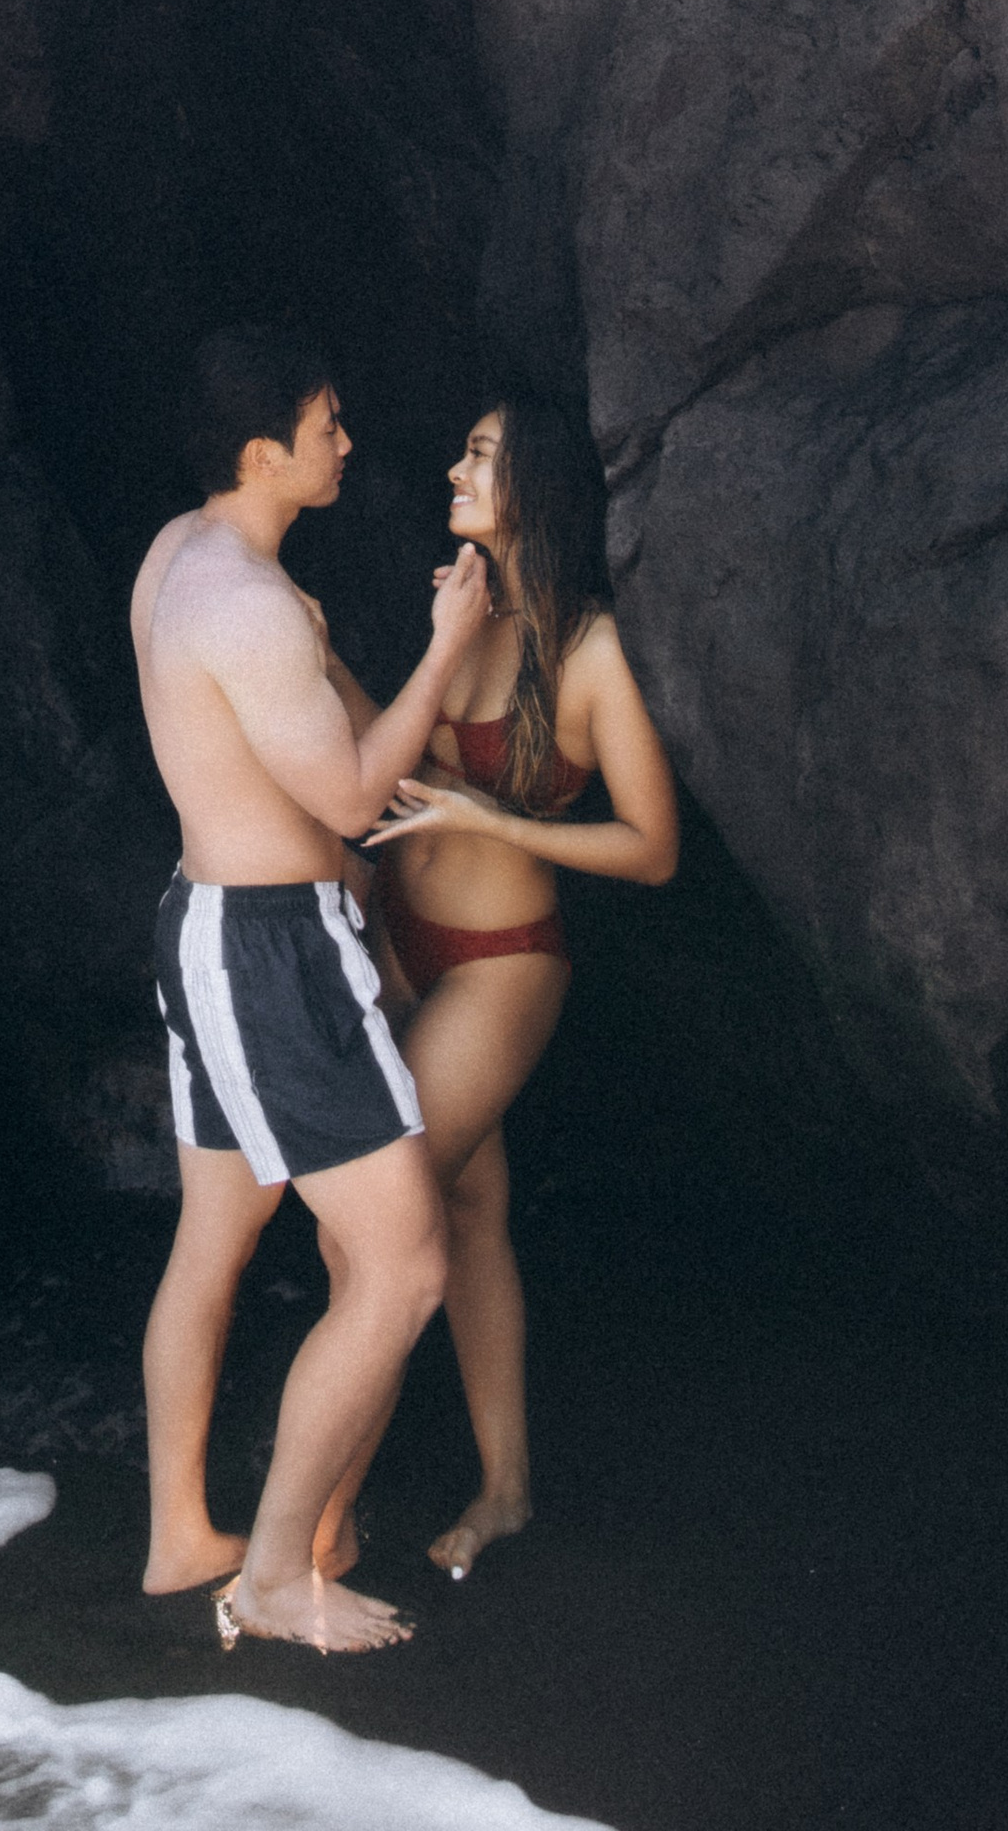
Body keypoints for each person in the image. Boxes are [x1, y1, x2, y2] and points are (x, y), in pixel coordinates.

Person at [130, 324, 494, 1652]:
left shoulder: (182, 552)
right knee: (403, 1264)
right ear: (266, 449)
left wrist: (339, 661)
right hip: (274, 953)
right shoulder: (250, 604)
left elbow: (307, 730)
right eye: (328, 421)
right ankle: (280, 1574)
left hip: (207, 926)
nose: (347, 440)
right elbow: (348, 796)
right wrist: (449, 645)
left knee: (214, 1238)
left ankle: (184, 1534)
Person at [364, 393, 679, 1583]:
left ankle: (317, 1515)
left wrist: (501, 817)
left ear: (532, 487)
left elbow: (652, 846)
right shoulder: (470, 605)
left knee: (382, 1211)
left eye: (478, 455)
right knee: (465, 1211)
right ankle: (504, 1492)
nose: (451, 464)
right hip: (396, 933)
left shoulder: (588, 647)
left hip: (499, 967)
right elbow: (400, 759)